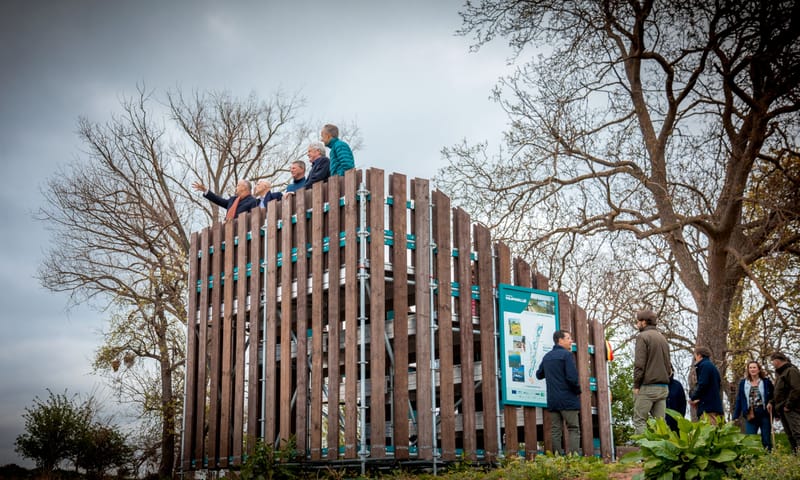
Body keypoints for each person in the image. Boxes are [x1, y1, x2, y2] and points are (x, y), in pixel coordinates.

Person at [536, 330, 582, 454]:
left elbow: (539, 375)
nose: (571, 340)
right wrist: (578, 390)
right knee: (573, 428)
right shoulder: (566, 355)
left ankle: (557, 459)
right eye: (568, 338)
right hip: (568, 399)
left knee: (555, 430)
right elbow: (572, 378)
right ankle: (574, 458)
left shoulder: (547, 357)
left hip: (553, 400)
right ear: (560, 340)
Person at [632, 309, 672, 434]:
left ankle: (645, 451)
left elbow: (639, 365)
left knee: (639, 420)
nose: (637, 324)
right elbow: (669, 366)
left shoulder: (642, 337)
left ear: (644, 322)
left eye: (638, 321)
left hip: (648, 387)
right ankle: (663, 451)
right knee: (661, 424)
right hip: (663, 388)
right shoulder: (662, 338)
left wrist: (636, 385)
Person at [732, 360, 774, 450]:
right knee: (750, 439)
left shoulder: (766, 382)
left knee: (766, 439)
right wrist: (735, 416)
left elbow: (773, 396)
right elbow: (739, 399)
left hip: (764, 414)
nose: (752, 369)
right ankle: (752, 461)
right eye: (750, 368)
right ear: (748, 370)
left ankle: (769, 459)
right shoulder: (743, 383)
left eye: (754, 367)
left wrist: (771, 402)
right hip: (750, 414)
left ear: (759, 369)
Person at [771, 352, 800, 453]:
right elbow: (778, 392)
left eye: (772, 361)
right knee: (790, 435)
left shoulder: (791, 371)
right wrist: (772, 403)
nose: (772, 364)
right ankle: (796, 457)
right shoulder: (780, 374)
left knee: (797, 433)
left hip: (792, 409)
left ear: (777, 360)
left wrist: (788, 405)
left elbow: (796, 389)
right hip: (782, 409)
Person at [192, 179, 258, 220]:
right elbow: (218, 200)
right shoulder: (233, 200)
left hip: (243, 234)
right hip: (227, 232)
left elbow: (253, 219)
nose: (236, 187)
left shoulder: (252, 201)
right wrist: (205, 190)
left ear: (244, 187)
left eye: (238, 185)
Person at [689, 346, 723, 424]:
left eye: (695, 355)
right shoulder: (711, 366)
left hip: (708, 407)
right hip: (713, 405)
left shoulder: (704, 366)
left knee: (709, 430)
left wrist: (694, 396)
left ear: (699, 355)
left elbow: (703, 384)